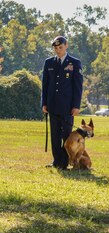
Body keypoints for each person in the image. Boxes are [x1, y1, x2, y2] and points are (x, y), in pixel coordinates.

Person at [41, 35, 83, 169]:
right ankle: (56, 161)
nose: (58, 50)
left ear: (66, 46)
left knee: (66, 136)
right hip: (52, 105)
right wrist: (44, 103)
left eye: (60, 47)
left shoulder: (74, 63)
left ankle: (64, 162)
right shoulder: (49, 62)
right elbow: (45, 85)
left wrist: (76, 106)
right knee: (55, 135)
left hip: (67, 107)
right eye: (56, 48)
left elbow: (78, 86)